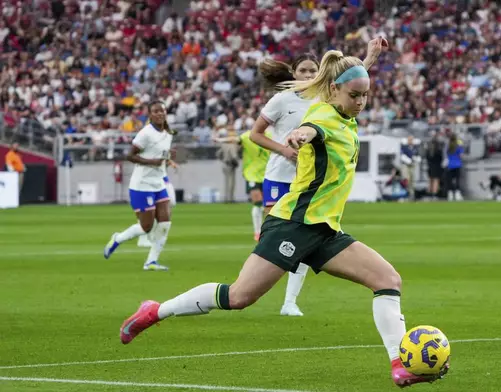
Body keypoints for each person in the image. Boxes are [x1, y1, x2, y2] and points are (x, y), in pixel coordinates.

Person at [118, 48, 443, 388]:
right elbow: (312, 129)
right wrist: (299, 135)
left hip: (325, 230)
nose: (361, 102)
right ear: (334, 91)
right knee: (238, 297)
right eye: (355, 95)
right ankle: (155, 311)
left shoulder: (343, 107)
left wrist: (369, 57)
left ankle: (398, 364)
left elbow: (345, 78)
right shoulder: (323, 118)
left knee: (387, 279)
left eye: (365, 95)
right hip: (292, 223)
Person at [249, 38, 385, 317]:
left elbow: (353, 82)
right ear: (294, 74)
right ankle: (257, 282)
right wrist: (288, 148)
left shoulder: (328, 97)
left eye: (314, 71)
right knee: (284, 237)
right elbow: (257, 134)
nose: (310, 76)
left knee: (302, 237)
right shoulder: (283, 100)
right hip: (281, 174)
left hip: (313, 179)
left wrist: (370, 59)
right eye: (304, 71)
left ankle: (289, 301)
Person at [104, 101, 175, 271]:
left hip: (158, 183)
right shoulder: (145, 133)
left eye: (162, 111)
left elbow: (162, 155)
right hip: (141, 185)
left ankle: (151, 262)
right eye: (156, 111)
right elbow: (130, 155)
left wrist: (169, 159)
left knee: (165, 223)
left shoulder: (168, 133)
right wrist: (151, 162)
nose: (160, 114)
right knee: (146, 227)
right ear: (150, 115)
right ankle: (118, 238)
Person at [215, 129, 272, 241]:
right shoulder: (248, 136)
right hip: (252, 174)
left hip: (268, 173)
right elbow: (234, 139)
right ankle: (257, 232)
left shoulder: (270, 136)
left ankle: (269, 230)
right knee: (257, 203)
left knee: (268, 206)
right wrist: (220, 139)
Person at [138, 161, 178, 248]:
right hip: (150, 183)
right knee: (149, 210)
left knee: (168, 206)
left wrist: (170, 162)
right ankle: (143, 238)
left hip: (163, 182)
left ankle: (154, 235)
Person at [444, 133, 464, 201]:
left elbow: (445, 154)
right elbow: (461, 155)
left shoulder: (448, 146)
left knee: (450, 180)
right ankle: (457, 194)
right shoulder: (458, 145)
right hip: (457, 164)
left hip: (450, 165)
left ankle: (450, 194)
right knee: (457, 180)